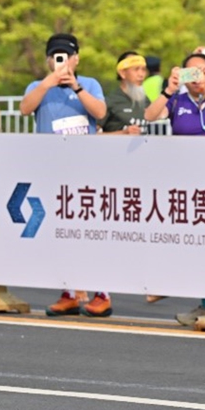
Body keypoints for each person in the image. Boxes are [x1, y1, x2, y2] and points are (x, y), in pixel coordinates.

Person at [145, 50, 205, 325]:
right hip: (184, 182)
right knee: (188, 237)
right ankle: (193, 295)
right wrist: (169, 88)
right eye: (191, 72)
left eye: (202, 71)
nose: (197, 78)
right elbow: (151, 115)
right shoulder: (177, 100)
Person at [21, 33, 112, 318]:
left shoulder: (91, 84)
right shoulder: (38, 86)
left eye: (66, 56)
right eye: (55, 56)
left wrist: (77, 86)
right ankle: (69, 293)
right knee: (60, 233)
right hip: (51, 170)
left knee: (91, 233)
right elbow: (25, 109)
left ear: (76, 59)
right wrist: (50, 82)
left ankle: (102, 293)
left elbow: (101, 112)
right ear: (49, 60)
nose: (60, 61)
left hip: (86, 171)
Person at [100, 51, 149, 134]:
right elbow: (92, 135)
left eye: (143, 69)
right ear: (122, 73)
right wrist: (123, 133)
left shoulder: (145, 100)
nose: (141, 74)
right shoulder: (110, 101)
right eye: (136, 69)